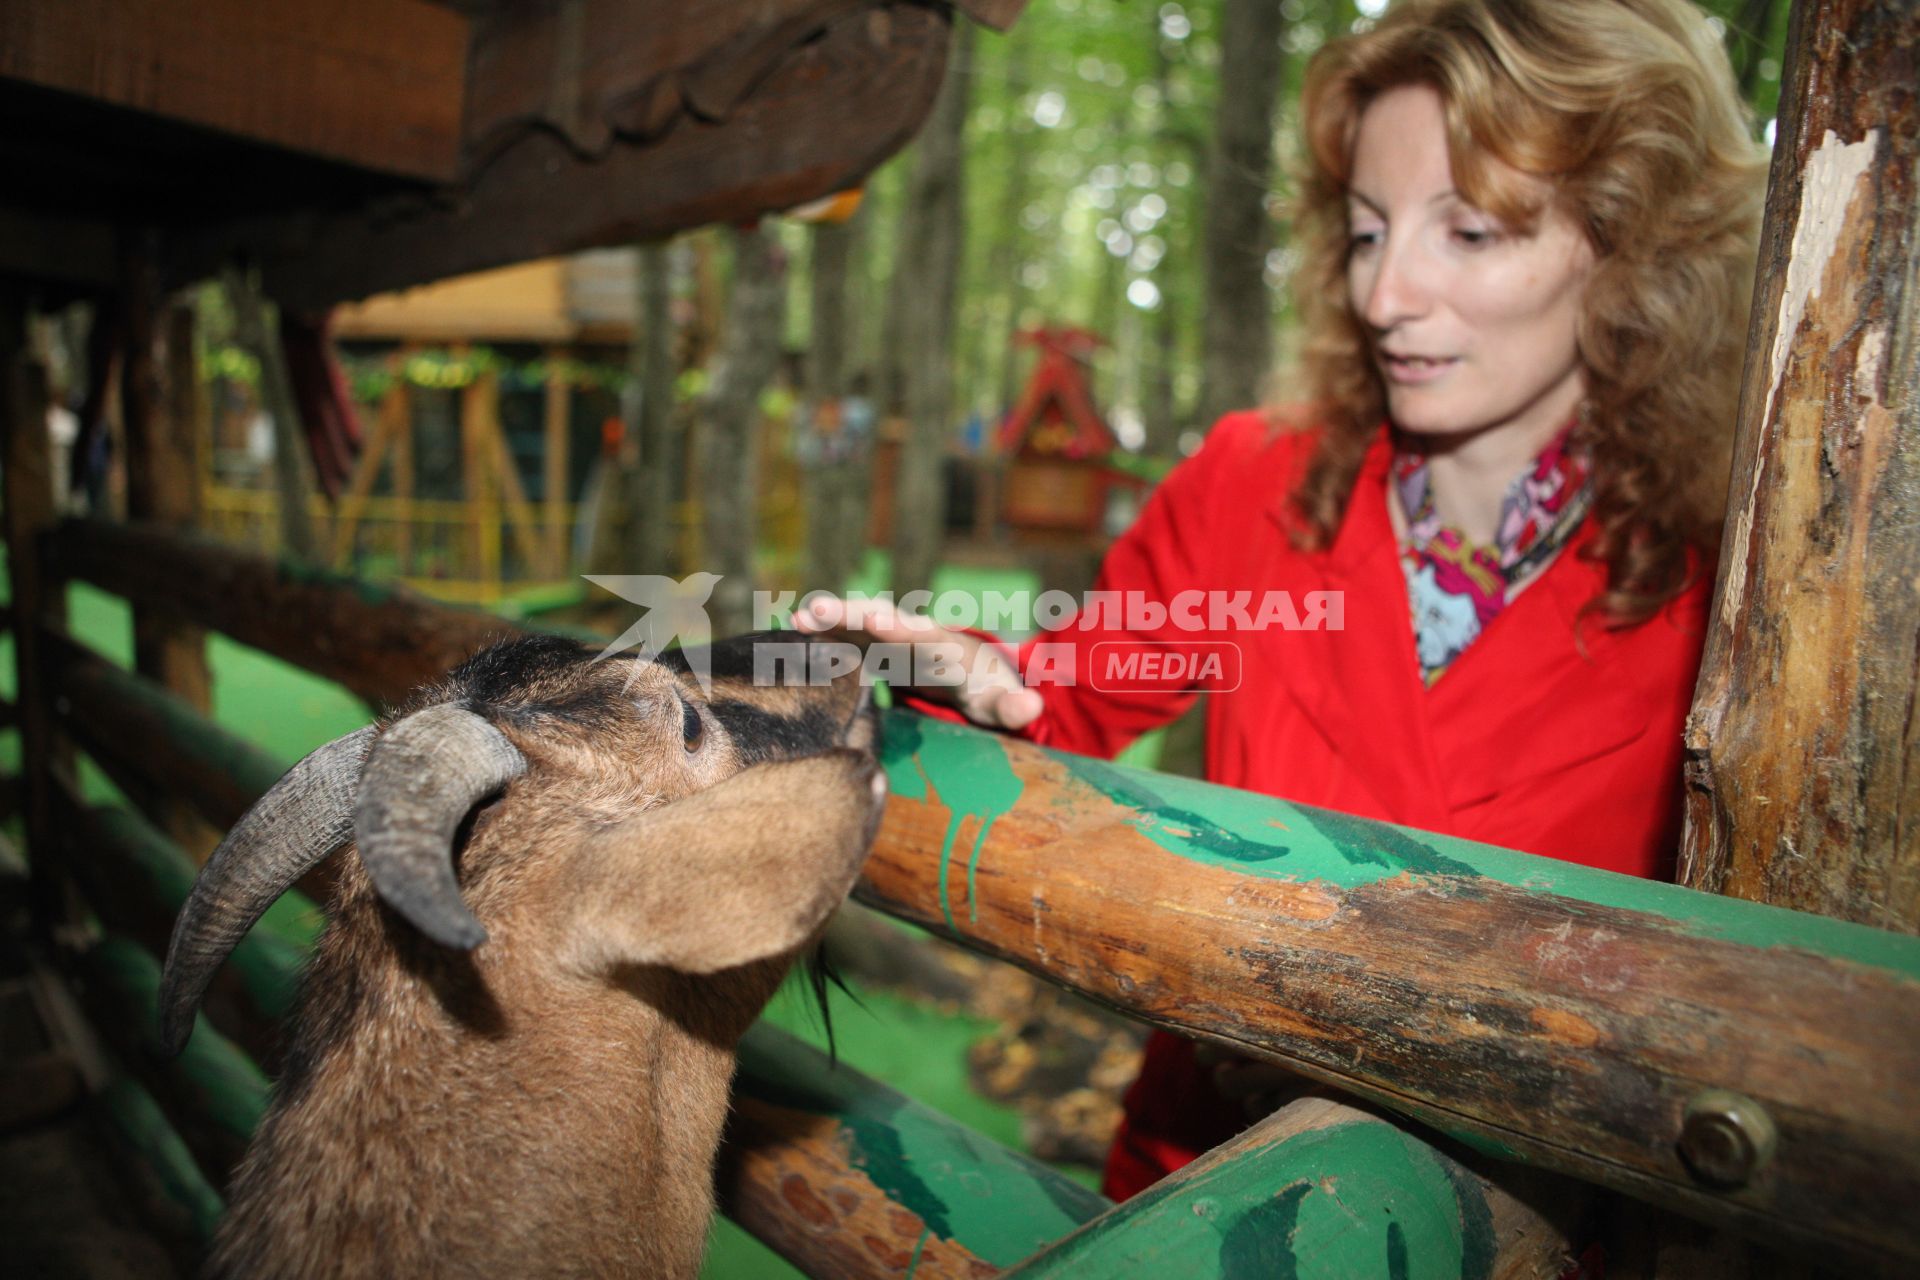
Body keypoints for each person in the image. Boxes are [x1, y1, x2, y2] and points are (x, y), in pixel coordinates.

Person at [795, 0, 1766, 1201]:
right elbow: (1076, 682)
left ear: (1631, 248)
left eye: (1467, 231)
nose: (1386, 293)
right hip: (1207, 1184)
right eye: (1368, 232)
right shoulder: (1254, 482)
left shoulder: (1746, 591)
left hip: (1553, 1224)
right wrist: (978, 676)